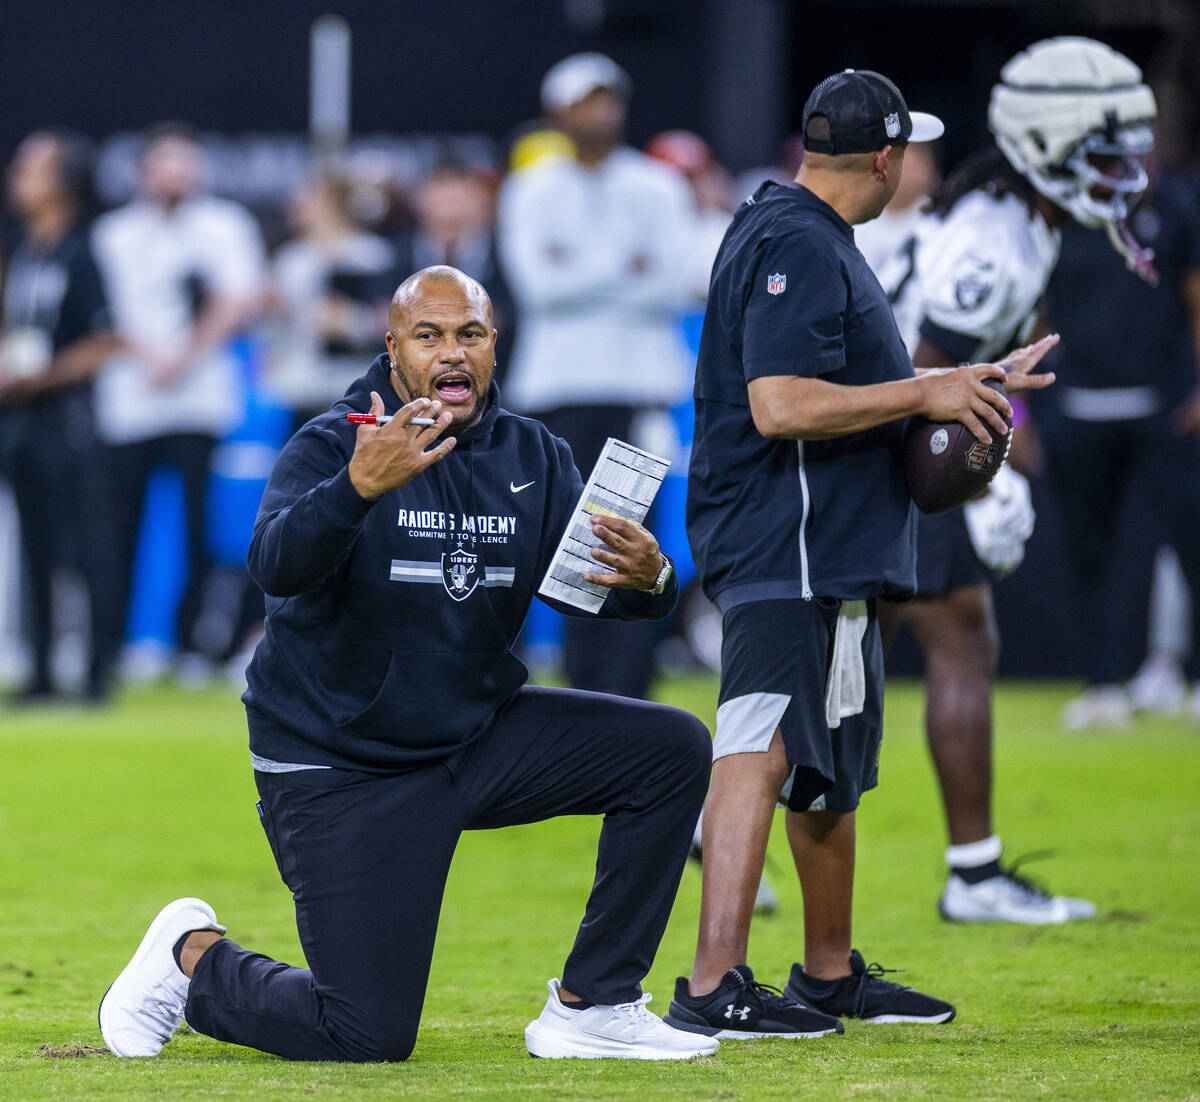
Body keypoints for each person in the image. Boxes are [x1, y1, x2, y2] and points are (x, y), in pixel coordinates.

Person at [97, 265, 717, 1063]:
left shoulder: (533, 453)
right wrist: (356, 488)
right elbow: (272, 565)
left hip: (474, 737)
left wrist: (652, 580)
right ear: (394, 349)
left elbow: (585, 595)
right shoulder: (335, 441)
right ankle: (192, 961)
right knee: (364, 1032)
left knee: (667, 749)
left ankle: (594, 1002)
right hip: (341, 761)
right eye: (429, 336)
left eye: (469, 334)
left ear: (496, 345)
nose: (451, 353)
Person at [671, 68, 1057, 1041]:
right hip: (780, 538)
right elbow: (781, 402)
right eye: (907, 152)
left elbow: (856, 383)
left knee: (829, 760)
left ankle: (828, 971)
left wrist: (966, 378)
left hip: (833, 547)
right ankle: (713, 979)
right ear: (883, 158)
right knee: (757, 742)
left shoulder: (814, 238)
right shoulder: (796, 239)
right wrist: (926, 396)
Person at [873, 37, 1157, 921]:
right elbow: (922, 381)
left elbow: (991, 368)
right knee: (948, 642)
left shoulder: (1021, 215)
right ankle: (974, 875)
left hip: (893, 449)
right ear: (1047, 147)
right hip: (887, 452)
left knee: (852, 659)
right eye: (1102, 155)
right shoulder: (993, 239)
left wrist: (1000, 442)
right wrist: (983, 479)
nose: (1123, 174)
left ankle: (722, 820)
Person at [499, 52, 695, 700]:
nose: (600, 112)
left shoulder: (659, 186)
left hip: (637, 384)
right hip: (557, 388)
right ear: (560, 112)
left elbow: (673, 282)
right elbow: (537, 286)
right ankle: (577, 681)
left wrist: (581, 267)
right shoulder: (529, 188)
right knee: (559, 540)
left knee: (634, 539)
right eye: (586, 101)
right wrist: (624, 268)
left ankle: (632, 680)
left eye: (608, 99)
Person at [91, 123, 266, 684]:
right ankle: (113, 647)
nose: (176, 174)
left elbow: (240, 298)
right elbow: (106, 312)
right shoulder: (112, 234)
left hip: (200, 401)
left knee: (199, 526)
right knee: (119, 528)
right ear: (142, 172)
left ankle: (191, 645)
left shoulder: (224, 224)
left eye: (185, 162)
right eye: (165, 163)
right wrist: (149, 356)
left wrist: (185, 355)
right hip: (129, 401)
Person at [1038, 158, 1200, 728]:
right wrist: (1026, 410)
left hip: (1165, 407)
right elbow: (1035, 313)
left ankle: (1190, 677)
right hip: (1078, 405)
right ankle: (1104, 683)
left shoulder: (1178, 208)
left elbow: (1196, 296)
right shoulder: (1061, 211)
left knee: (1192, 541)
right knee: (1087, 553)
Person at [0, 131, 123, 702]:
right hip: (23, 421)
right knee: (36, 550)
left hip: (70, 421)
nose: (16, 178)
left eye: (31, 169)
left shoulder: (82, 249)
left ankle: (98, 673)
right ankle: (44, 671)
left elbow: (105, 339)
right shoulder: (26, 249)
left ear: (62, 182)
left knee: (85, 547)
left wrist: (39, 376)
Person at [267, 172, 397, 432]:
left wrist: (352, 322)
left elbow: (391, 320)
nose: (297, 205)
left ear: (331, 204)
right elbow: (279, 327)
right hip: (303, 384)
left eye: (309, 199)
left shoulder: (372, 255)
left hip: (358, 386)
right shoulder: (292, 259)